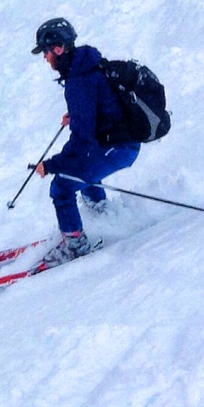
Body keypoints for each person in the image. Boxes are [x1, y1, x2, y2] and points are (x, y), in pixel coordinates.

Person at [31, 17, 140, 263]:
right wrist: (81, 114)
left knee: (62, 185)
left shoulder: (79, 80)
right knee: (81, 170)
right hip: (117, 142)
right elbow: (101, 103)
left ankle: (76, 245)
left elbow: (81, 142)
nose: (45, 58)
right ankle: (101, 214)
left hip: (119, 147)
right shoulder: (85, 66)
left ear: (59, 49)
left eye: (46, 52)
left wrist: (51, 165)